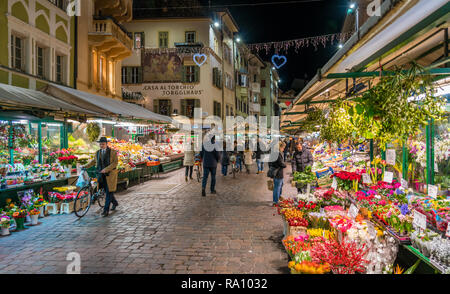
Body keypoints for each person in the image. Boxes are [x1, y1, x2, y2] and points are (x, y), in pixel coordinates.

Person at [84, 137, 119, 217]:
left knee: (109, 192)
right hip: (101, 175)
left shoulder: (113, 152)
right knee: (107, 191)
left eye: (103, 144)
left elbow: (115, 163)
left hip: (110, 175)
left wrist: (106, 169)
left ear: (107, 144)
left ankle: (105, 210)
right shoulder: (98, 153)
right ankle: (115, 203)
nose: (101, 145)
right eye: (100, 144)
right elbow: (93, 161)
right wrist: (85, 166)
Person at [269, 141, 286, 206]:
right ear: (280, 147)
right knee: (277, 187)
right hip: (278, 173)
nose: (283, 149)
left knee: (279, 185)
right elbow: (281, 163)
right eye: (283, 147)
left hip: (275, 172)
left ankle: (278, 198)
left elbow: (270, 163)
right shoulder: (278, 154)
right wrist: (284, 165)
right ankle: (275, 201)